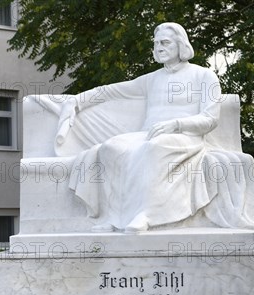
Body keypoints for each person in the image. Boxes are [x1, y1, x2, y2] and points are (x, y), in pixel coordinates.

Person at [56, 22, 224, 232]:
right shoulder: (152, 79)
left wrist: (176, 125)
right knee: (111, 148)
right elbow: (111, 91)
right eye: (155, 44)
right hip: (148, 135)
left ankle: (147, 215)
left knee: (154, 148)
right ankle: (115, 217)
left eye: (165, 42)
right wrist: (77, 101)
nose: (159, 47)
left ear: (180, 44)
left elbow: (210, 119)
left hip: (185, 137)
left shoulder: (204, 76)